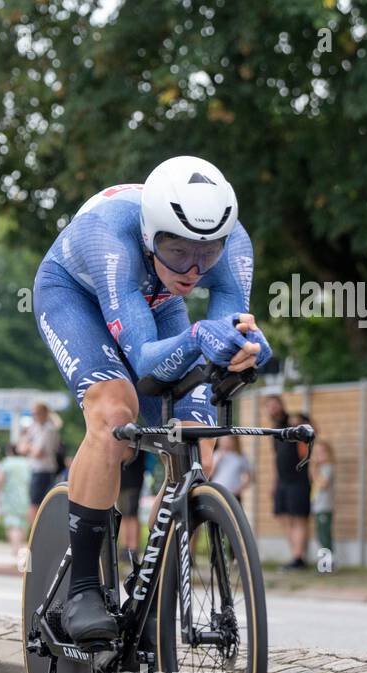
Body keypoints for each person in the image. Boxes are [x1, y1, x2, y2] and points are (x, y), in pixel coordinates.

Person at [33, 155, 271, 648]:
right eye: (175, 249)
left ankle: (153, 586)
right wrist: (203, 336)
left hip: (156, 304)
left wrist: (247, 351)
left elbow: (228, 332)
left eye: (206, 254)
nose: (192, 267)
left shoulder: (234, 243)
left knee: (196, 438)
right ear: (149, 233)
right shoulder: (109, 235)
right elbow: (144, 363)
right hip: (74, 295)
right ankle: (81, 589)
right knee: (114, 412)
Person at [265, 395, 312, 570]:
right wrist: (273, 482)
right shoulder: (275, 430)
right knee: (283, 516)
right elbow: (275, 458)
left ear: (282, 406)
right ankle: (296, 555)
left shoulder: (294, 421)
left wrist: (298, 422)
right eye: (269, 406)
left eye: (275, 405)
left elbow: (311, 432)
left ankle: (298, 558)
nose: (273, 409)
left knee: (299, 519)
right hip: (282, 481)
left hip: (298, 479)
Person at [299, 413, 334, 569]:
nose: (318, 456)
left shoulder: (327, 468)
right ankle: (324, 564)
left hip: (325, 507)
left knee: (325, 538)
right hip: (318, 507)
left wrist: (314, 469)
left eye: (322, 453)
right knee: (320, 537)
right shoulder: (320, 468)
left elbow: (323, 483)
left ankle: (326, 565)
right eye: (316, 453)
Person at [18, 402, 61, 524]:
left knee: (35, 505)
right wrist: (29, 447)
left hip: (43, 470)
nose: (34, 417)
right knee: (34, 503)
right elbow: (21, 448)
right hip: (37, 469)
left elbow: (38, 452)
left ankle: (33, 536)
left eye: (36, 414)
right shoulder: (36, 428)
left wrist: (28, 447)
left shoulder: (48, 429)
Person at [0, 443, 31, 555]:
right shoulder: (27, 463)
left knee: (12, 524)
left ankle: (15, 549)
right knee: (23, 524)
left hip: (10, 497)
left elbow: (0, 480)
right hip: (25, 497)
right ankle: (21, 547)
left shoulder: (7, 463)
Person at [116, 449, 147, 557]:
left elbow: (127, 453)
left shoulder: (134, 434)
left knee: (132, 514)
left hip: (133, 481)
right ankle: (125, 547)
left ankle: (133, 548)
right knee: (123, 515)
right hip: (121, 482)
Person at [210, 434, 252, 507]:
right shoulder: (216, 455)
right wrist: (218, 459)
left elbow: (249, 477)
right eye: (223, 440)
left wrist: (239, 489)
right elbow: (209, 475)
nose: (225, 442)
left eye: (228, 440)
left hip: (233, 494)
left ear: (234, 441)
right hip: (217, 492)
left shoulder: (240, 456)